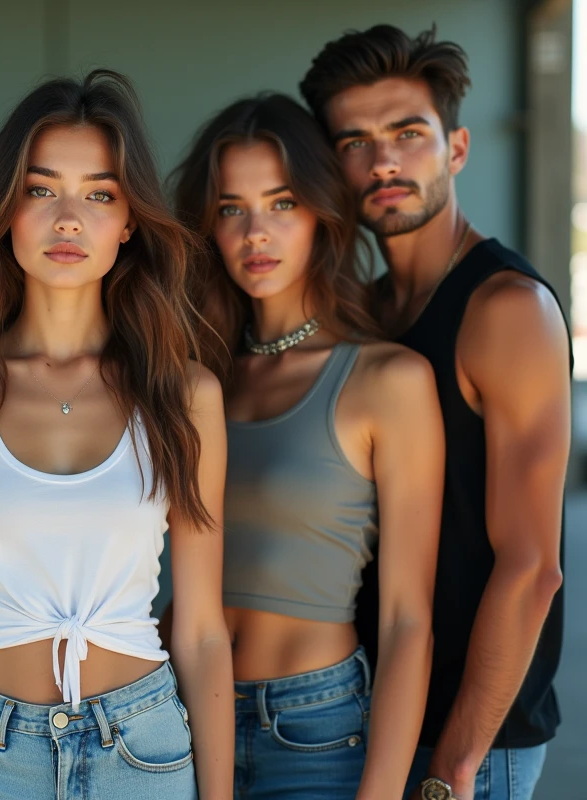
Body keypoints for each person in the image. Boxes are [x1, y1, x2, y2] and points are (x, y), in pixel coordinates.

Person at [0, 70, 234, 799]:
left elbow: (203, 630)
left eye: (100, 194)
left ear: (130, 219)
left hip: (141, 748)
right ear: (6, 210)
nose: (69, 218)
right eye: (42, 189)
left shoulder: (184, 395)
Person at [301, 25, 571, 800]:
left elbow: (532, 569)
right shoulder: (367, 310)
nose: (383, 161)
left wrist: (452, 769)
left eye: (407, 134)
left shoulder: (507, 310)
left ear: (455, 149)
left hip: (466, 743)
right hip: (369, 717)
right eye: (354, 142)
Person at [171, 93, 443, 799]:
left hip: (316, 730)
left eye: (282, 203)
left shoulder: (387, 379)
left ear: (323, 214)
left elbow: (408, 618)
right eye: (232, 209)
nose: (255, 232)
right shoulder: (194, 379)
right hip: (175, 718)